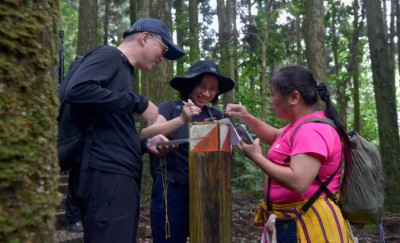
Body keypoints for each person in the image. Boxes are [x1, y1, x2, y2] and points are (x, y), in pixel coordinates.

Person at [63, 18, 185, 243]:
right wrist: (140, 103)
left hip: (117, 176)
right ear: (145, 37)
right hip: (106, 176)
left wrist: (145, 145)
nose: (163, 58)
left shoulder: (123, 71)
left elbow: (110, 131)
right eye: (164, 48)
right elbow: (77, 90)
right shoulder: (109, 55)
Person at [225, 65, 355, 242]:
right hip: (294, 221)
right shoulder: (299, 125)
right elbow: (275, 136)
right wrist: (246, 116)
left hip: (313, 224)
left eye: (273, 94)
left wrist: (256, 157)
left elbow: (298, 181)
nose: (271, 100)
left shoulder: (312, 130)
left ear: (294, 97)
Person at [141, 60, 235, 243]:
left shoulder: (215, 115)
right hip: (171, 189)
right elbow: (147, 134)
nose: (207, 93)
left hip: (207, 188)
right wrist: (183, 119)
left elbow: (227, 151)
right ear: (190, 85)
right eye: (202, 86)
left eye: (213, 89)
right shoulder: (170, 107)